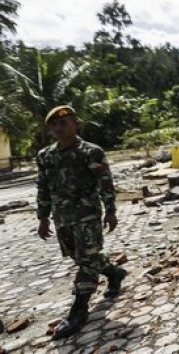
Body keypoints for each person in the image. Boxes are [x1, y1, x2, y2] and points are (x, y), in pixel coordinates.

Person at [36, 105, 127, 340]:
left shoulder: (90, 151)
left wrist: (110, 210)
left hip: (87, 215)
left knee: (87, 261)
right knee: (84, 257)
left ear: (76, 124)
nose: (58, 127)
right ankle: (115, 273)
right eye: (54, 124)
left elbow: (105, 181)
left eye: (63, 123)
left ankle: (78, 311)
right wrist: (43, 217)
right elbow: (43, 187)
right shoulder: (45, 155)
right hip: (62, 219)